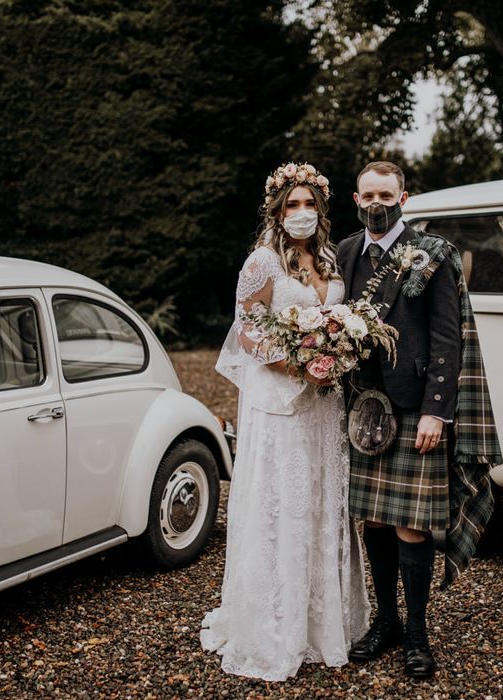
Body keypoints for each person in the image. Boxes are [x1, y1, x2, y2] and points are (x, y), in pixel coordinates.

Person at [200, 162, 370, 681]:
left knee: (321, 502)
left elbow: (338, 320)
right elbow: (246, 330)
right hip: (282, 405)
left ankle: (323, 623)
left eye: (309, 204)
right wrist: (297, 362)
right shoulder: (262, 261)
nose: (301, 213)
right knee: (282, 506)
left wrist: (336, 355)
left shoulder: (329, 259)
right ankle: (274, 625)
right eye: (291, 204)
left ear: (321, 209)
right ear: (277, 210)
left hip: (324, 406)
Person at [337, 161, 503, 679]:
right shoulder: (344, 252)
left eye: (386, 194)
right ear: (356, 199)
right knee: (376, 519)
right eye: (368, 195)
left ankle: (416, 632)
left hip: (414, 408)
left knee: (412, 524)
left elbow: (448, 339)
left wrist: (437, 410)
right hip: (363, 408)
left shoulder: (433, 254)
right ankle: (385, 622)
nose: (376, 204)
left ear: (404, 198)